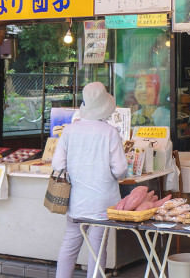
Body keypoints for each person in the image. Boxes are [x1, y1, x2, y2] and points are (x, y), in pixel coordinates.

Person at [51, 82, 127, 278]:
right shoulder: (110, 133)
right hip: (103, 202)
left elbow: (58, 165)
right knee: (98, 249)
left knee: (69, 245)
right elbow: (120, 169)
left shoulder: (69, 131)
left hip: (76, 200)